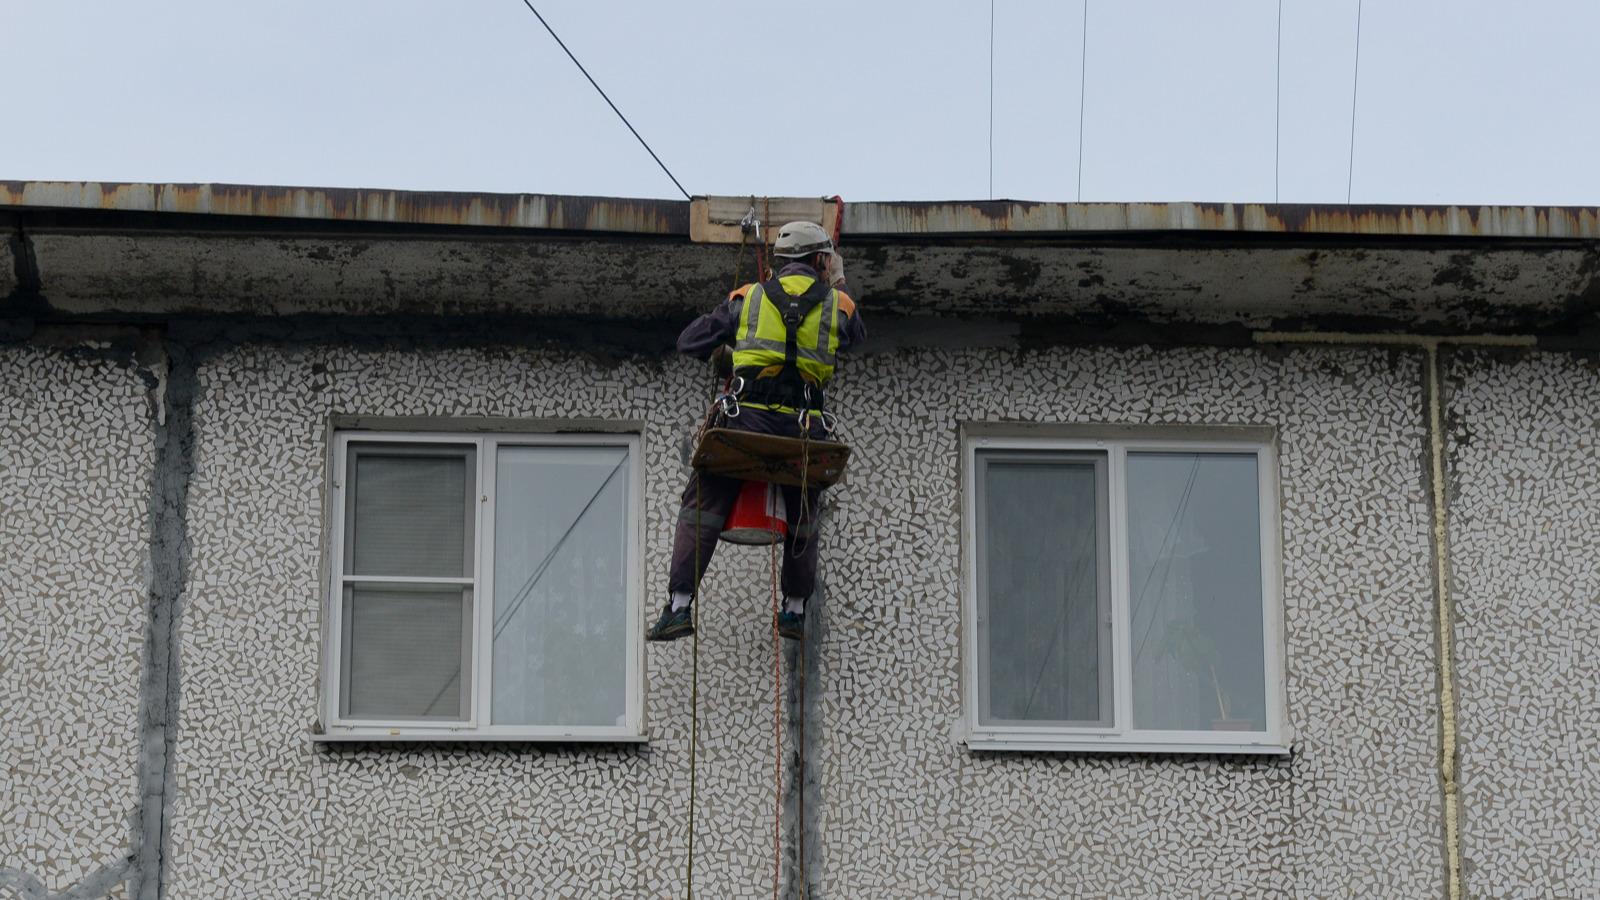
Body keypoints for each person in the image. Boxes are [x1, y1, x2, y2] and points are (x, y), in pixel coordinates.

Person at [648, 220, 865, 642]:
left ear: (781, 262)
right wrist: (839, 281)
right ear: (822, 260)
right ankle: (795, 611)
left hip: (745, 422)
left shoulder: (747, 298)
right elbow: (856, 339)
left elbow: (688, 341)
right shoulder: (839, 304)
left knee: (703, 502)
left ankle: (678, 606)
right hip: (802, 430)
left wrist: (728, 354)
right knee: (804, 510)